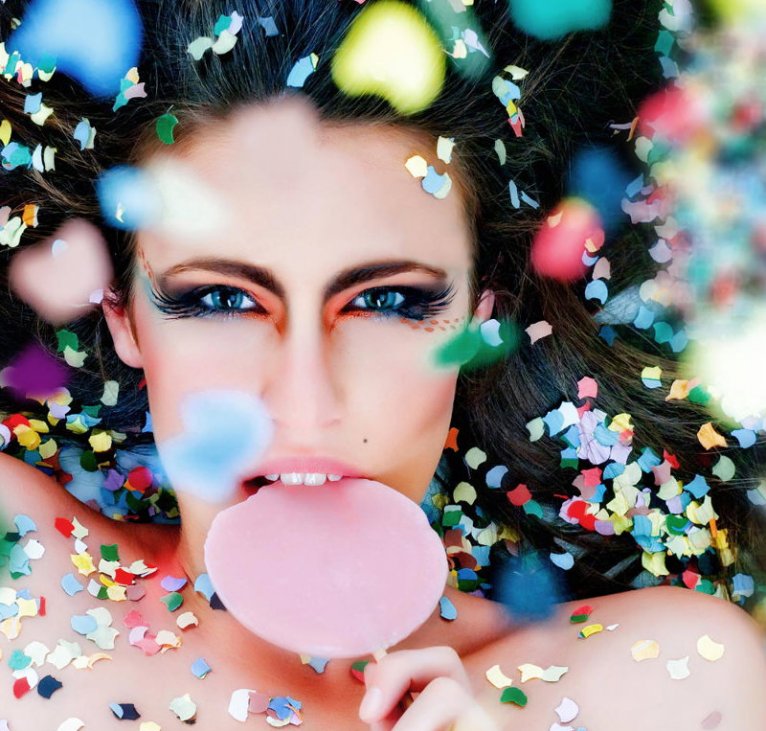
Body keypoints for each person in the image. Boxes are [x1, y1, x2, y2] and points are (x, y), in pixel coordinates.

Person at [0, 0, 765, 729]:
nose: (304, 401)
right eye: (221, 300)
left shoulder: (674, 680)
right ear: (122, 313)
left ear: (481, 314)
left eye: (387, 300)